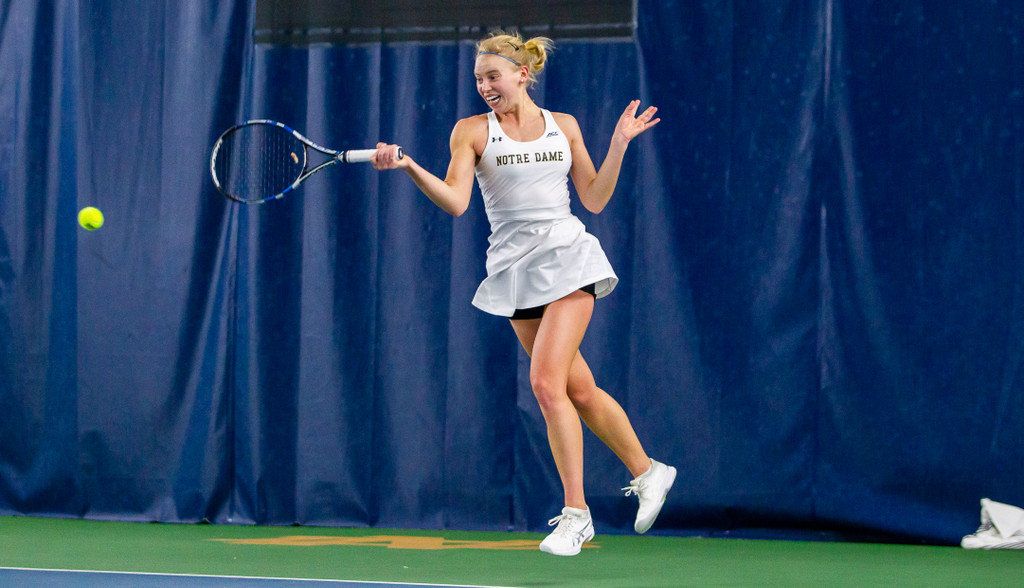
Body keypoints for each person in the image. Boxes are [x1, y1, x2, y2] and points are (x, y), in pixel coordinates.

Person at [370, 30, 676, 557]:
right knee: (578, 390)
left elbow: (595, 200)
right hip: (514, 272)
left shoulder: (566, 127)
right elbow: (457, 202)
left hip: (569, 256)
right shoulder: (470, 132)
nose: (485, 86)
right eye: (478, 79)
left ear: (522, 75)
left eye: (493, 76)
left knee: (544, 382)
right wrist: (408, 167)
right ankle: (649, 471)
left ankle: (577, 515)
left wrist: (618, 145)